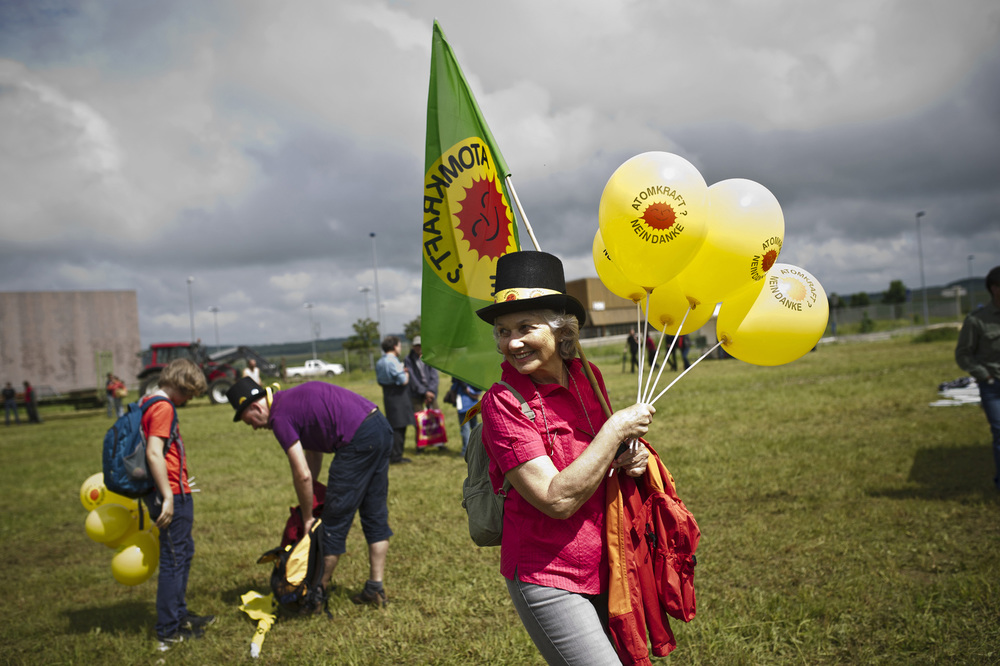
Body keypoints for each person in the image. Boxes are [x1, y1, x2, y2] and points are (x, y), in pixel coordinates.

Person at [476, 251, 653, 666]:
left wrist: (629, 457)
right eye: (503, 331)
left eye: (525, 327)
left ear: (561, 329)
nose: (511, 342)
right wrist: (615, 431)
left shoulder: (589, 377)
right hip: (549, 574)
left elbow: (600, 458)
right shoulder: (502, 403)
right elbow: (556, 499)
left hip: (610, 558)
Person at [227, 376, 395, 607]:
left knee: (331, 524)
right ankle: (375, 589)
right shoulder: (290, 402)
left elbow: (302, 474)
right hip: (379, 427)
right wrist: (312, 494)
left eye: (250, 422)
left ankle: (315, 594)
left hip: (357, 440)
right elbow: (313, 455)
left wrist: (308, 517)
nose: (255, 427)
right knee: (374, 513)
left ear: (255, 406)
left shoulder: (279, 417)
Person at [141, 359, 214, 650]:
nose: (188, 400)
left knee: (183, 552)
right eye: (190, 394)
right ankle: (168, 631)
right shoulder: (163, 407)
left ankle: (180, 615)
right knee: (173, 560)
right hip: (171, 493)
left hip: (171, 488)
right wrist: (169, 495)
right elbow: (154, 453)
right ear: (180, 386)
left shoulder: (147, 402)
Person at [955, 265, 1000, 490]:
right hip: (993, 386)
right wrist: (984, 375)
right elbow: (963, 355)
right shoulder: (977, 320)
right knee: (999, 431)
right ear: (994, 289)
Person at [375, 336, 412, 464]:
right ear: (395, 346)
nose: (400, 348)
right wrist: (406, 373)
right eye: (400, 345)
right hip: (398, 396)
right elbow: (403, 380)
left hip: (388, 395)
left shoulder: (380, 362)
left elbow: (380, 380)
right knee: (400, 426)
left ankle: (392, 454)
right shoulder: (393, 361)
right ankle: (396, 456)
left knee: (393, 424)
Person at [403, 336, 441, 450]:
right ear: (413, 346)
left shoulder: (429, 357)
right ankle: (420, 445)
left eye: (420, 345)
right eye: (416, 345)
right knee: (419, 420)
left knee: (436, 417)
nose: (418, 347)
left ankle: (439, 443)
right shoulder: (408, 359)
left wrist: (431, 391)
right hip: (416, 393)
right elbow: (413, 379)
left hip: (431, 392)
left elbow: (435, 375)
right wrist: (425, 392)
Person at [450, 378, 481, 457]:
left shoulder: (459, 380)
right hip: (473, 405)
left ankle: (466, 451)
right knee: (475, 427)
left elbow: (453, 388)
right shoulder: (473, 378)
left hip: (463, 405)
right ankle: (479, 448)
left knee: (465, 429)